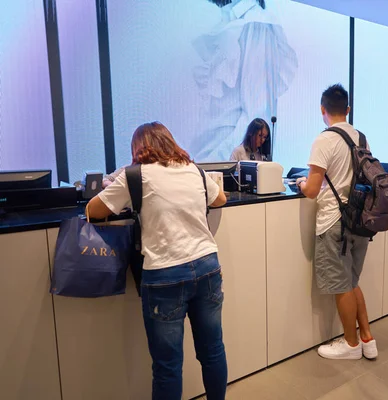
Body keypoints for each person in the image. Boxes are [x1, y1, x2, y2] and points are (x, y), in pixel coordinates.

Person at [86, 122, 228, 399]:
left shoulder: (134, 176)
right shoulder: (194, 170)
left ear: (138, 149)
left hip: (164, 276)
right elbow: (220, 198)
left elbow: (93, 210)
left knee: (167, 367)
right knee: (212, 351)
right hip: (208, 268)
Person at [295, 84, 377, 360]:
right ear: (348, 109)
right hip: (360, 221)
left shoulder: (324, 140)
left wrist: (301, 182)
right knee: (352, 281)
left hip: (334, 222)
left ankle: (351, 345)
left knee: (342, 285)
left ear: (322, 110)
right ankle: (367, 339)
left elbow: (311, 190)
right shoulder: (361, 138)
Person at [188, 0, 298, 161]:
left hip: (222, 161)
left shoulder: (257, 23)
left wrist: (221, 161)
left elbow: (258, 111)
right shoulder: (224, 16)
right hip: (208, 159)